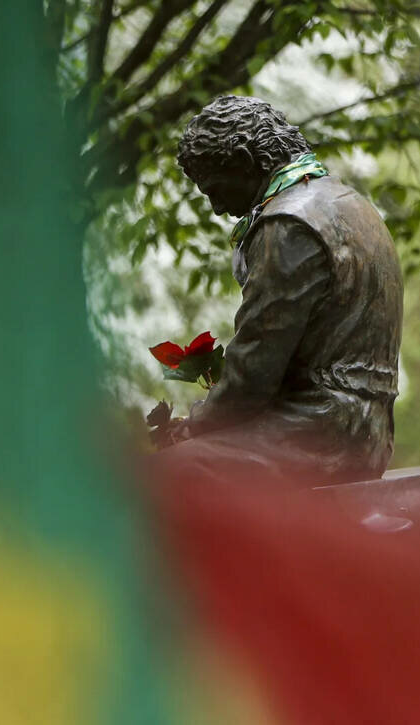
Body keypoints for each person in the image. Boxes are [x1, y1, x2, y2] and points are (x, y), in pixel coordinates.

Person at [155, 95, 403, 490]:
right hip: (369, 430)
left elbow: (254, 369)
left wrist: (197, 422)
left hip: (319, 431)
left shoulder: (288, 224)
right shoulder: (351, 205)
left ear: (244, 160)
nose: (218, 208)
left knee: (156, 478)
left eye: (215, 189)